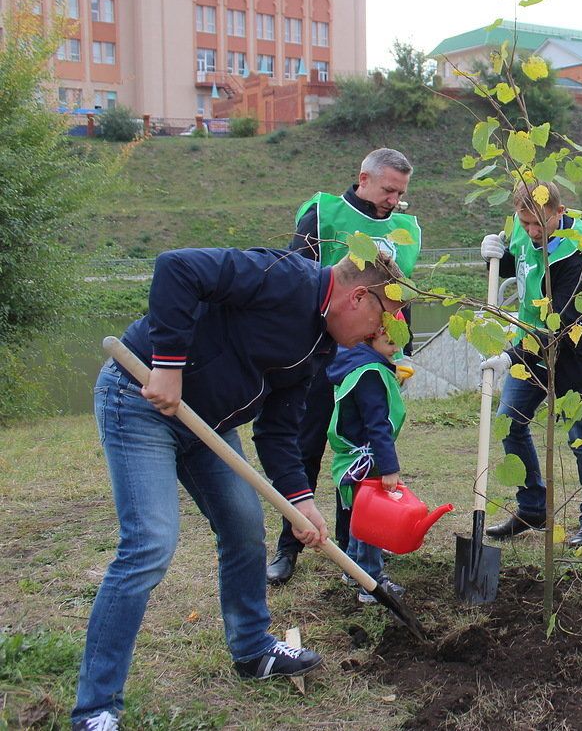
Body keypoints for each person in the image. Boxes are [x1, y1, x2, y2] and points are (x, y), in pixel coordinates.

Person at [73, 247, 405, 731]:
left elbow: (277, 430)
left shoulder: (322, 345)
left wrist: (301, 502)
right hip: (141, 395)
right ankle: (96, 708)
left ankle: (252, 648)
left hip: (210, 425)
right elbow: (176, 268)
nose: (379, 336)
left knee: (246, 528)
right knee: (150, 542)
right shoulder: (283, 277)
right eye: (381, 322)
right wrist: (167, 364)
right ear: (358, 297)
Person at [268, 147, 421, 585]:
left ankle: (351, 548)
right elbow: (294, 276)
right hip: (318, 353)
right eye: (389, 189)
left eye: (401, 192)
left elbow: (401, 296)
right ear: (364, 178)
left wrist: (400, 352)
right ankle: (288, 545)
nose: (394, 199)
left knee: (361, 452)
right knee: (304, 446)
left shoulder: (405, 228)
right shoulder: (324, 213)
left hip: (369, 358)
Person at [477, 181, 582, 547]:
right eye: (526, 225)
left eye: (540, 224)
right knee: (509, 423)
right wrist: (493, 255)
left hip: (574, 354)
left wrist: (509, 356)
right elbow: (518, 264)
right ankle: (532, 507)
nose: (533, 233)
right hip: (529, 348)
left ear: (559, 211)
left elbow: (562, 321)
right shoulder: (523, 229)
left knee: (580, 437)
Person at [328, 318, 409, 604]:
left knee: (360, 515)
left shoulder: (357, 365)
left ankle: (352, 568)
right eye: (389, 343)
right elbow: (377, 426)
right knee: (374, 521)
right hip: (366, 457)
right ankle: (371, 582)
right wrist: (389, 468)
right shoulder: (371, 374)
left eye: (400, 341)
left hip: (351, 457)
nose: (396, 349)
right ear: (369, 340)